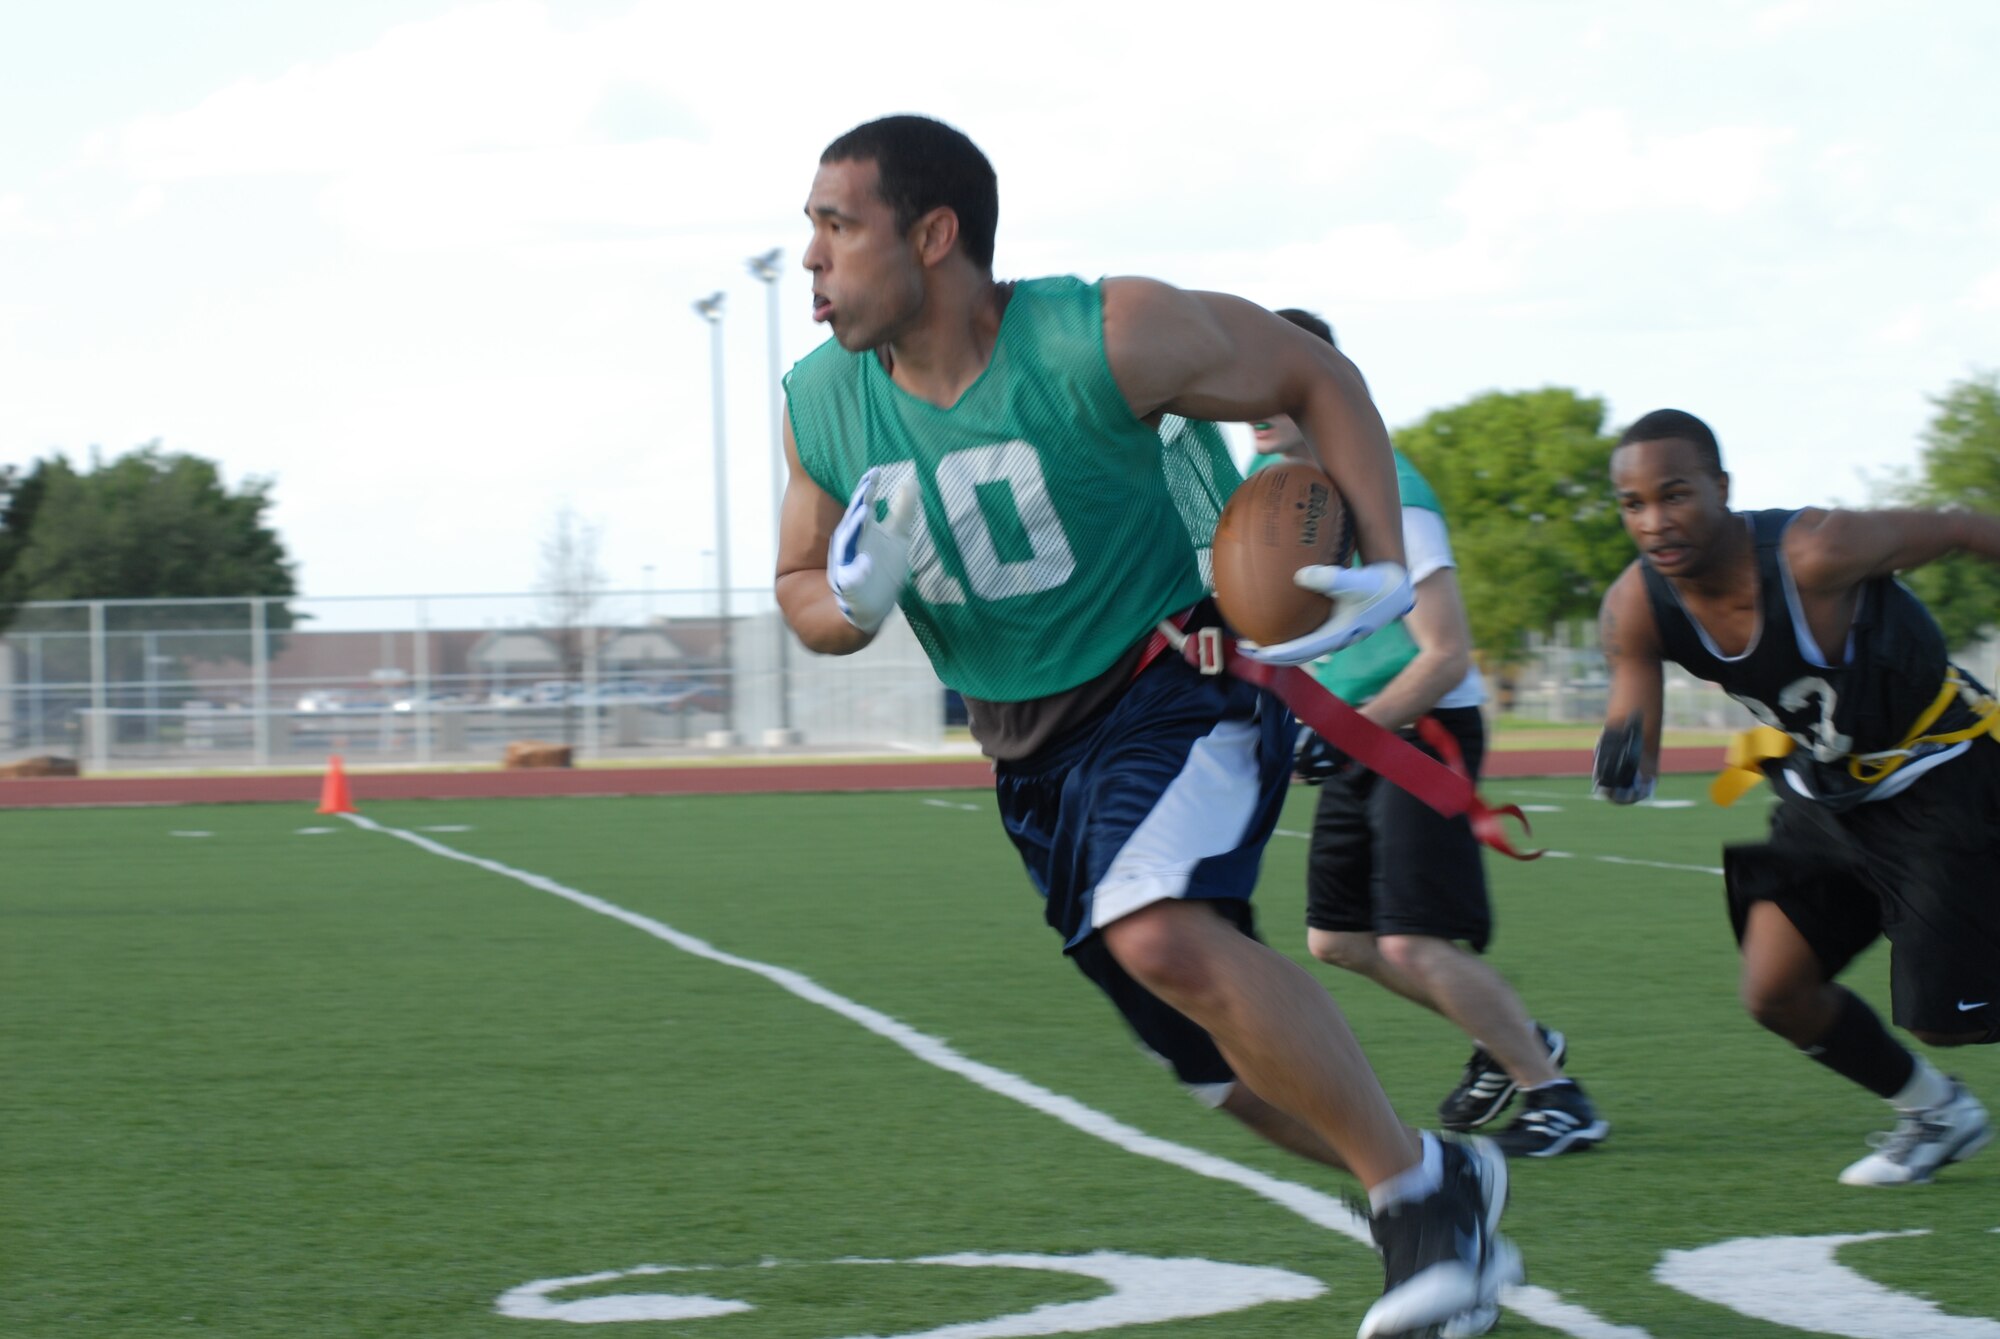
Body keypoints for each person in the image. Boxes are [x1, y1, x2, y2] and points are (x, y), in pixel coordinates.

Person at [776, 113, 1520, 1338]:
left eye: (834, 224)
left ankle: (1414, 1210)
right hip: (1028, 754)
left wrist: (1385, 554)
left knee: (1160, 936)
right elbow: (798, 580)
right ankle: (1435, 1176)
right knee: (1211, 1069)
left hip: (1168, 687)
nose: (810, 257)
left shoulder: (1097, 334)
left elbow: (1312, 374)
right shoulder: (822, 399)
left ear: (934, 233)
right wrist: (844, 608)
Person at [1596, 407, 2000, 1187]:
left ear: (1722, 487)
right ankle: (1937, 1112)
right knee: (1775, 989)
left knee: (1942, 1018)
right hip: (1827, 794)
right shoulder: (1637, 603)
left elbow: (1955, 527)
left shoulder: (1818, 549)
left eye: (1675, 494)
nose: (1654, 521)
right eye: (1632, 504)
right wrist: (1625, 765)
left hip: (1940, 773)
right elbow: (1631, 716)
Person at [1250, 309, 1607, 1164]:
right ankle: (1515, 1034)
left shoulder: (1388, 492)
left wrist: (1354, 729)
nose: (1247, 397)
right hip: (1358, 732)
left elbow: (1444, 655)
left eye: (1267, 373)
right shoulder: (1279, 501)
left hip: (1419, 727)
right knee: (1341, 939)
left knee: (1411, 936)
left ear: (1317, 381)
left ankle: (1556, 1098)